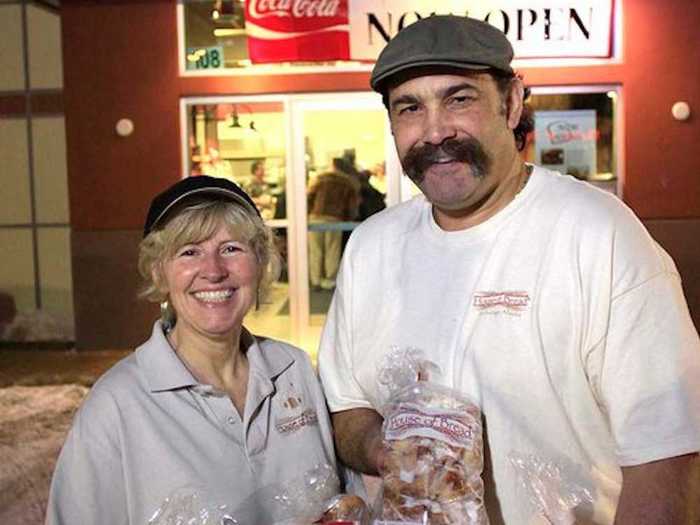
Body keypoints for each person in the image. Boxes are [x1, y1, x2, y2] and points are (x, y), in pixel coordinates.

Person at [318, 15, 700, 524]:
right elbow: (348, 406)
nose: (435, 132)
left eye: (459, 99)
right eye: (410, 108)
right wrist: (383, 448)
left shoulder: (598, 235)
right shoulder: (371, 247)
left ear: (512, 102)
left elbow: (666, 453)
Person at [46, 176, 339, 524]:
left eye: (231, 248)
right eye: (189, 252)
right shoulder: (117, 405)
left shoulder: (293, 369)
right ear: (159, 272)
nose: (213, 271)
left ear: (260, 263)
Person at [307, 171, 360, 290]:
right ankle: (330, 280)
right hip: (334, 218)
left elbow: (309, 198)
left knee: (315, 250)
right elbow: (351, 206)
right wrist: (349, 218)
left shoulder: (320, 181)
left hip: (316, 217)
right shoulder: (346, 184)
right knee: (332, 249)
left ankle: (316, 280)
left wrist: (309, 213)